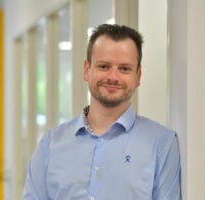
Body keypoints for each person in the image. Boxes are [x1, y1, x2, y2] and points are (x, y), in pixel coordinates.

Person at [22, 24, 181, 200]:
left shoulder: (162, 145)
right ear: (86, 70)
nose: (113, 77)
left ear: (138, 76)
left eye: (124, 68)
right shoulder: (50, 145)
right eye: (104, 66)